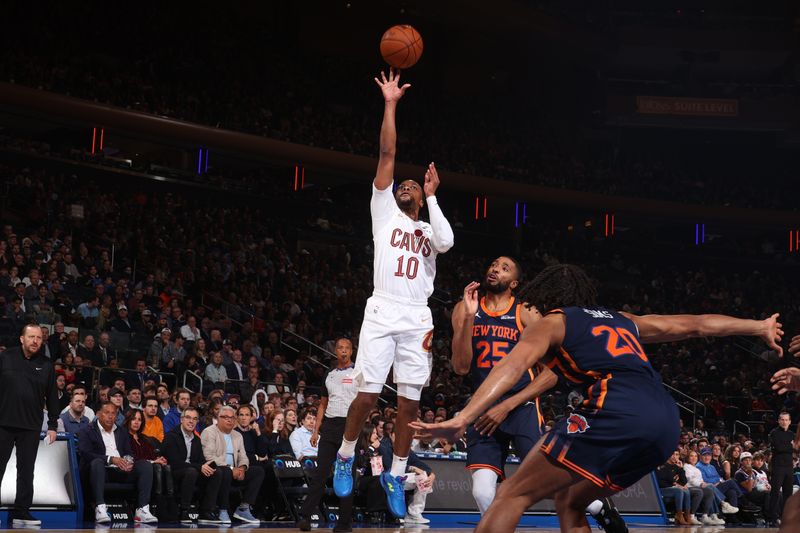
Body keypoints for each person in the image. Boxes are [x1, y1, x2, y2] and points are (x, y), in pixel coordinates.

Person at [410, 264, 783, 533]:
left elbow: (511, 366)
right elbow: (696, 324)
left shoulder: (552, 321)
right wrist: (758, 326)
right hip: (666, 421)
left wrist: (464, 415)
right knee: (570, 501)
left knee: (510, 495)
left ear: (545, 298)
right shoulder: (621, 318)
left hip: (615, 408)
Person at [333, 67, 455, 520]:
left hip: (417, 315)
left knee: (410, 403)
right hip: (383, 308)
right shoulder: (383, 212)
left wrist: (433, 196)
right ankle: (347, 454)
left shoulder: (428, 226)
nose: (403, 184)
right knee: (366, 395)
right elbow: (387, 152)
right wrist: (390, 103)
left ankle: (397, 472)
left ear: (419, 196)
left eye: (411, 185)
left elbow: (446, 243)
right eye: (400, 184)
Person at [450, 257, 621, 526]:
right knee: (481, 491)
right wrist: (469, 319)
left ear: (514, 283)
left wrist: (508, 405)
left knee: (547, 483)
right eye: (494, 264)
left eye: (504, 268)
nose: (495, 268)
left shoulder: (526, 312)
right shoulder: (464, 308)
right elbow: (460, 367)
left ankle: (599, 506)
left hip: (521, 408)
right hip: (482, 408)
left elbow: (552, 375)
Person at [297, 338, 358, 532]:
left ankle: (344, 523)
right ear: (335, 351)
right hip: (330, 426)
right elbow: (322, 404)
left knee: (347, 474)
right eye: (340, 347)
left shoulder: (359, 373)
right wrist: (316, 430)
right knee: (320, 473)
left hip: (350, 426)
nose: (343, 351)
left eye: (347, 348)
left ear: (351, 351)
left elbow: (366, 401)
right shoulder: (329, 375)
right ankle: (304, 516)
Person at [0, 324, 58, 526]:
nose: (35, 341)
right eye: (31, 337)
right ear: (21, 339)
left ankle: (21, 513)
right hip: (3, 423)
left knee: (26, 471)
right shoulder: (5, 357)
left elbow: (52, 396)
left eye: (39, 338)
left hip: (31, 426)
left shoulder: (47, 364)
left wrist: (52, 425)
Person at [77, 402, 158, 524]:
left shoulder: (121, 431)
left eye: (113, 413)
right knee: (97, 462)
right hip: (101, 470)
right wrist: (110, 459)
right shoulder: (87, 431)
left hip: (121, 469)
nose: (110, 416)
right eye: (107, 413)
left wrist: (128, 461)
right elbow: (86, 453)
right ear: (99, 414)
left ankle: (142, 509)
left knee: (145, 465)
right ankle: (100, 508)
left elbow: (129, 452)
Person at [200, 405, 264, 524]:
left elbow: (243, 456)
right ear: (218, 418)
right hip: (217, 472)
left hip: (235, 471)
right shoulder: (209, 432)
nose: (229, 420)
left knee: (258, 471)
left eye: (232, 417)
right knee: (226, 471)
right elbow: (209, 457)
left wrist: (242, 468)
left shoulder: (237, 435)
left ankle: (243, 508)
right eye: (225, 417)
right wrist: (231, 468)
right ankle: (223, 510)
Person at [162, 406, 226, 524]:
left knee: (216, 472)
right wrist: (199, 467)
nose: (191, 421)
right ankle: (184, 510)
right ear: (181, 419)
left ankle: (206, 511)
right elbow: (174, 462)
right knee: (191, 471)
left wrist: (207, 465)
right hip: (175, 472)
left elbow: (200, 461)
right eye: (188, 418)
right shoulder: (171, 436)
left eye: (195, 419)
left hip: (193, 471)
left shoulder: (196, 439)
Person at [766, 411, 795, 526]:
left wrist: (789, 446)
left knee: (788, 494)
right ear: (778, 421)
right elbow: (778, 447)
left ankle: (785, 517)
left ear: (790, 422)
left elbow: (795, 448)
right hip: (778, 466)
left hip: (789, 467)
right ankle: (772, 517)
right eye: (782, 419)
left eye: (786, 420)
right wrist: (790, 446)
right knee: (775, 493)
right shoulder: (774, 433)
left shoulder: (792, 434)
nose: (784, 422)